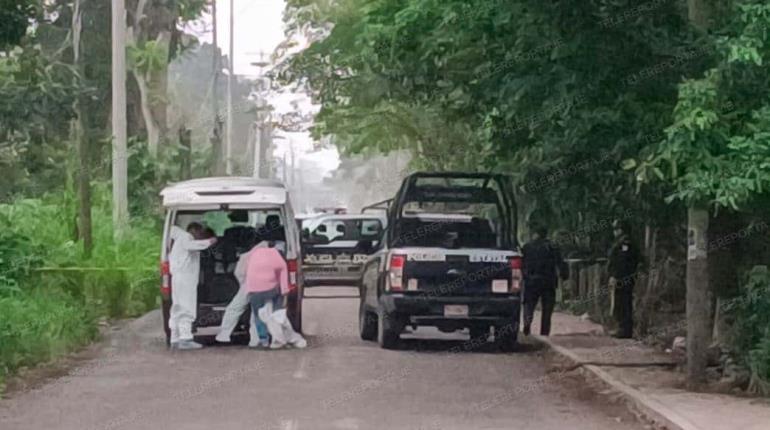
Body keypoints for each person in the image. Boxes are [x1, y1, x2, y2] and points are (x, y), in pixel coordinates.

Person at [168, 222, 217, 350]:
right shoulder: (186, 237)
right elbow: (192, 246)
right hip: (185, 279)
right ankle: (185, 338)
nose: (200, 236)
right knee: (186, 307)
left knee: (177, 308)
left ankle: (175, 338)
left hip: (178, 279)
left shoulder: (179, 239)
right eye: (200, 233)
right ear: (194, 230)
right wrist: (209, 242)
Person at [216, 241, 273, 348]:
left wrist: (243, 283)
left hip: (248, 284)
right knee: (257, 313)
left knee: (235, 308)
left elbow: (238, 273)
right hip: (264, 285)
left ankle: (223, 335)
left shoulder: (246, 256)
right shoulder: (273, 254)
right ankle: (256, 340)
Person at [242, 244, 296, 349]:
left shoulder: (253, 254)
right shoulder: (277, 256)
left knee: (258, 315)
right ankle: (280, 338)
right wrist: (285, 294)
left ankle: (263, 340)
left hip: (253, 289)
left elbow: (246, 272)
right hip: (271, 289)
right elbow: (283, 278)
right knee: (277, 314)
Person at [522, 223, 568, 336]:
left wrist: (523, 276)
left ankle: (527, 325)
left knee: (529, 305)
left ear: (535, 234)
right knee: (547, 309)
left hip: (531, 281)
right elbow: (560, 263)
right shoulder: (552, 247)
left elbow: (522, 264)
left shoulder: (527, 247)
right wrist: (564, 275)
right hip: (548, 281)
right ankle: (544, 332)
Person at [607, 220, 640, 339]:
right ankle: (622, 327)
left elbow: (622, 261)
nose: (615, 232)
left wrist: (615, 275)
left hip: (623, 278)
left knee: (623, 302)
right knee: (621, 302)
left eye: (616, 229)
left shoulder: (625, 243)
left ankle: (624, 329)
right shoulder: (621, 242)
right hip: (624, 277)